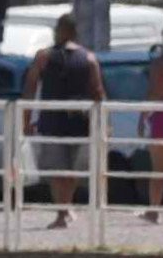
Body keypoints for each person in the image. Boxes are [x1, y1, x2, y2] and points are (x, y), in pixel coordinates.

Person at [25, 13, 104, 227]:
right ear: (76, 32)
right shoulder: (89, 58)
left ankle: (62, 212)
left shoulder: (43, 57)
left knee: (56, 171)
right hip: (80, 122)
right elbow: (98, 92)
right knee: (71, 171)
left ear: (60, 30)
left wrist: (25, 119)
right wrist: (104, 123)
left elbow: (30, 88)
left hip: (52, 121)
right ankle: (65, 208)